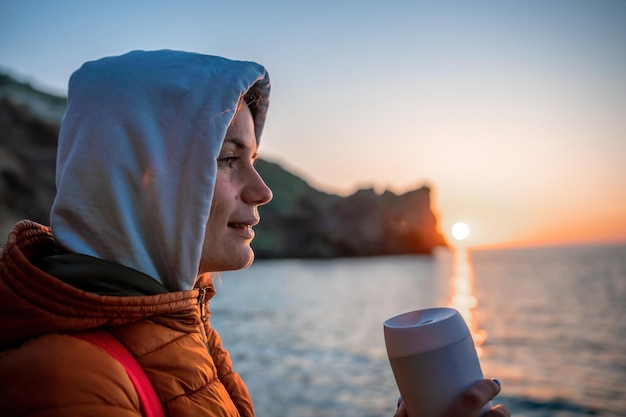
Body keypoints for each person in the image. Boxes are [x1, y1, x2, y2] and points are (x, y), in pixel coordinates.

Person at [0, 50, 510, 417]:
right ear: (137, 179)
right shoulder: (66, 382)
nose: (262, 191)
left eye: (253, 160)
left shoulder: (175, 320)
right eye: (226, 160)